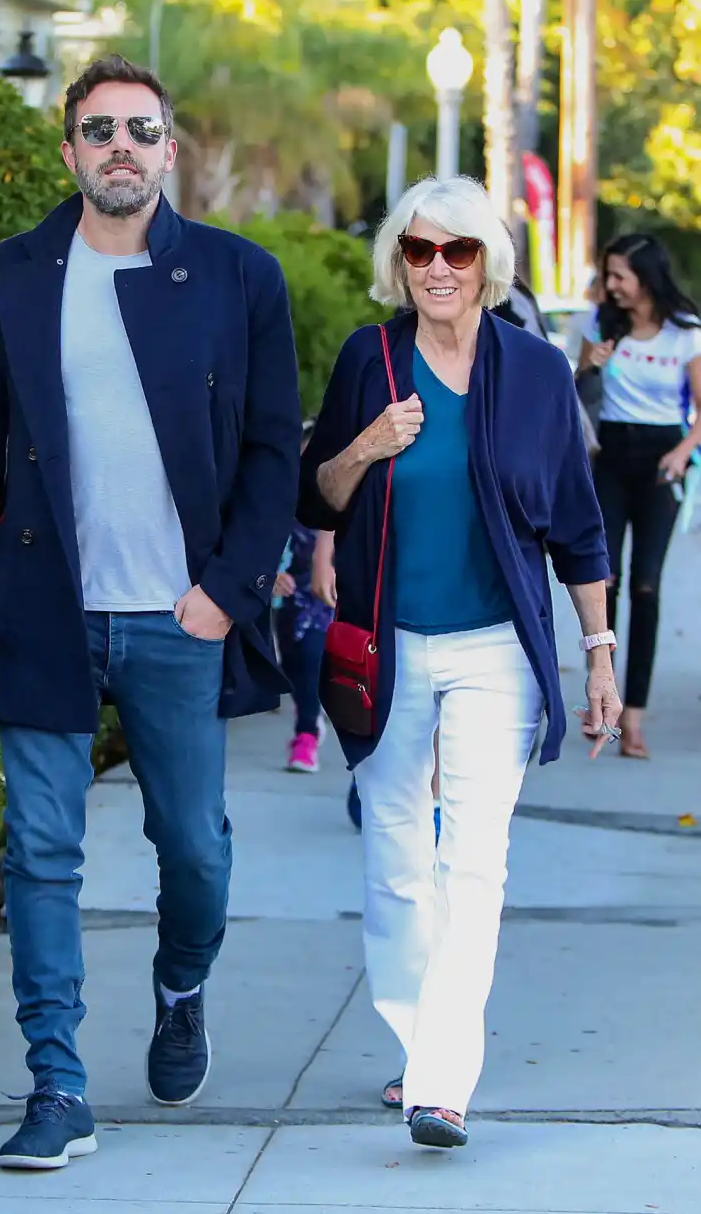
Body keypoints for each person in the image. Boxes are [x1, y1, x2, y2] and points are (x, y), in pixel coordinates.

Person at [0, 54, 301, 1169]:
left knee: (196, 851)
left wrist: (228, 590)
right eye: (98, 131)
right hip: (43, 606)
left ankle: (182, 988)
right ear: (69, 150)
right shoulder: (13, 275)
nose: (120, 146)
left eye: (140, 129)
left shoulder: (238, 276)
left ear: (170, 149)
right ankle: (56, 1086)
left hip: (182, 619)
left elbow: (275, 449)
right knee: (40, 852)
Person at [299, 176, 621, 1151]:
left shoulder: (533, 370)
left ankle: (444, 1080)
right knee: (396, 854)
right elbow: (320, 500)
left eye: (459, 251)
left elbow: (576, 520)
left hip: (496, 650)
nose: (438, 268)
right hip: (387, 647)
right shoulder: (371, 359)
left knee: (472, 861)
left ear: (488, 261)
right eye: (420, 250)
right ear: (399, 261)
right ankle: (414, 1042)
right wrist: (364, 444)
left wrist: (599, 654)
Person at [577, 234, 701, 759]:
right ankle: (600, 700)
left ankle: (635, 718)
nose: (610, 285)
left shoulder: (684, 334)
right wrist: (592, 366)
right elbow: (575, 398)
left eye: (619, 275)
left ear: (646, 277)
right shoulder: (599, 324)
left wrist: (683, 451)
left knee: (646, 586)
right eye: (607, 275)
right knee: (603, 582)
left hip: (660, 463)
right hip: (609, 457)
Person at [272, 421, 336, 773]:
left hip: (326, 598)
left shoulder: (342, 497)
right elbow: (263, 544)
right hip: (288, 598)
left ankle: (306, 735)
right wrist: (269, 574)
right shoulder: (281, 500)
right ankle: (307, 710)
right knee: (295, 666)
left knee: (312, 658)